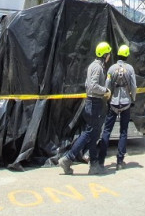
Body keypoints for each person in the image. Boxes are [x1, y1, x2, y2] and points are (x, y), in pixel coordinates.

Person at [58, 41, 112, 175]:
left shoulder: (94, 66)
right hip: (94, 103)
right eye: (108, 53)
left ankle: (93, 164)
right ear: (104, 54)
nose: (109, 56)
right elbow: (92, 86)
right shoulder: (98, 68)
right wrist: (105, 90)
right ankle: (68, 158)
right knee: (89, 132)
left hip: (93, 103)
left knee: (94, 135)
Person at [96, 44, 137, 169]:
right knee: (123, 131)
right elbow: (133, 86)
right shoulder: (130, 69)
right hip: (125, 102)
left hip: (113, 102)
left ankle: (101, 160)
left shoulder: (111, 69)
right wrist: (133, 98)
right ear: (127, 55)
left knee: (107, 130)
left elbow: (107, 85)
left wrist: (108, 98)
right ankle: (120, 161)